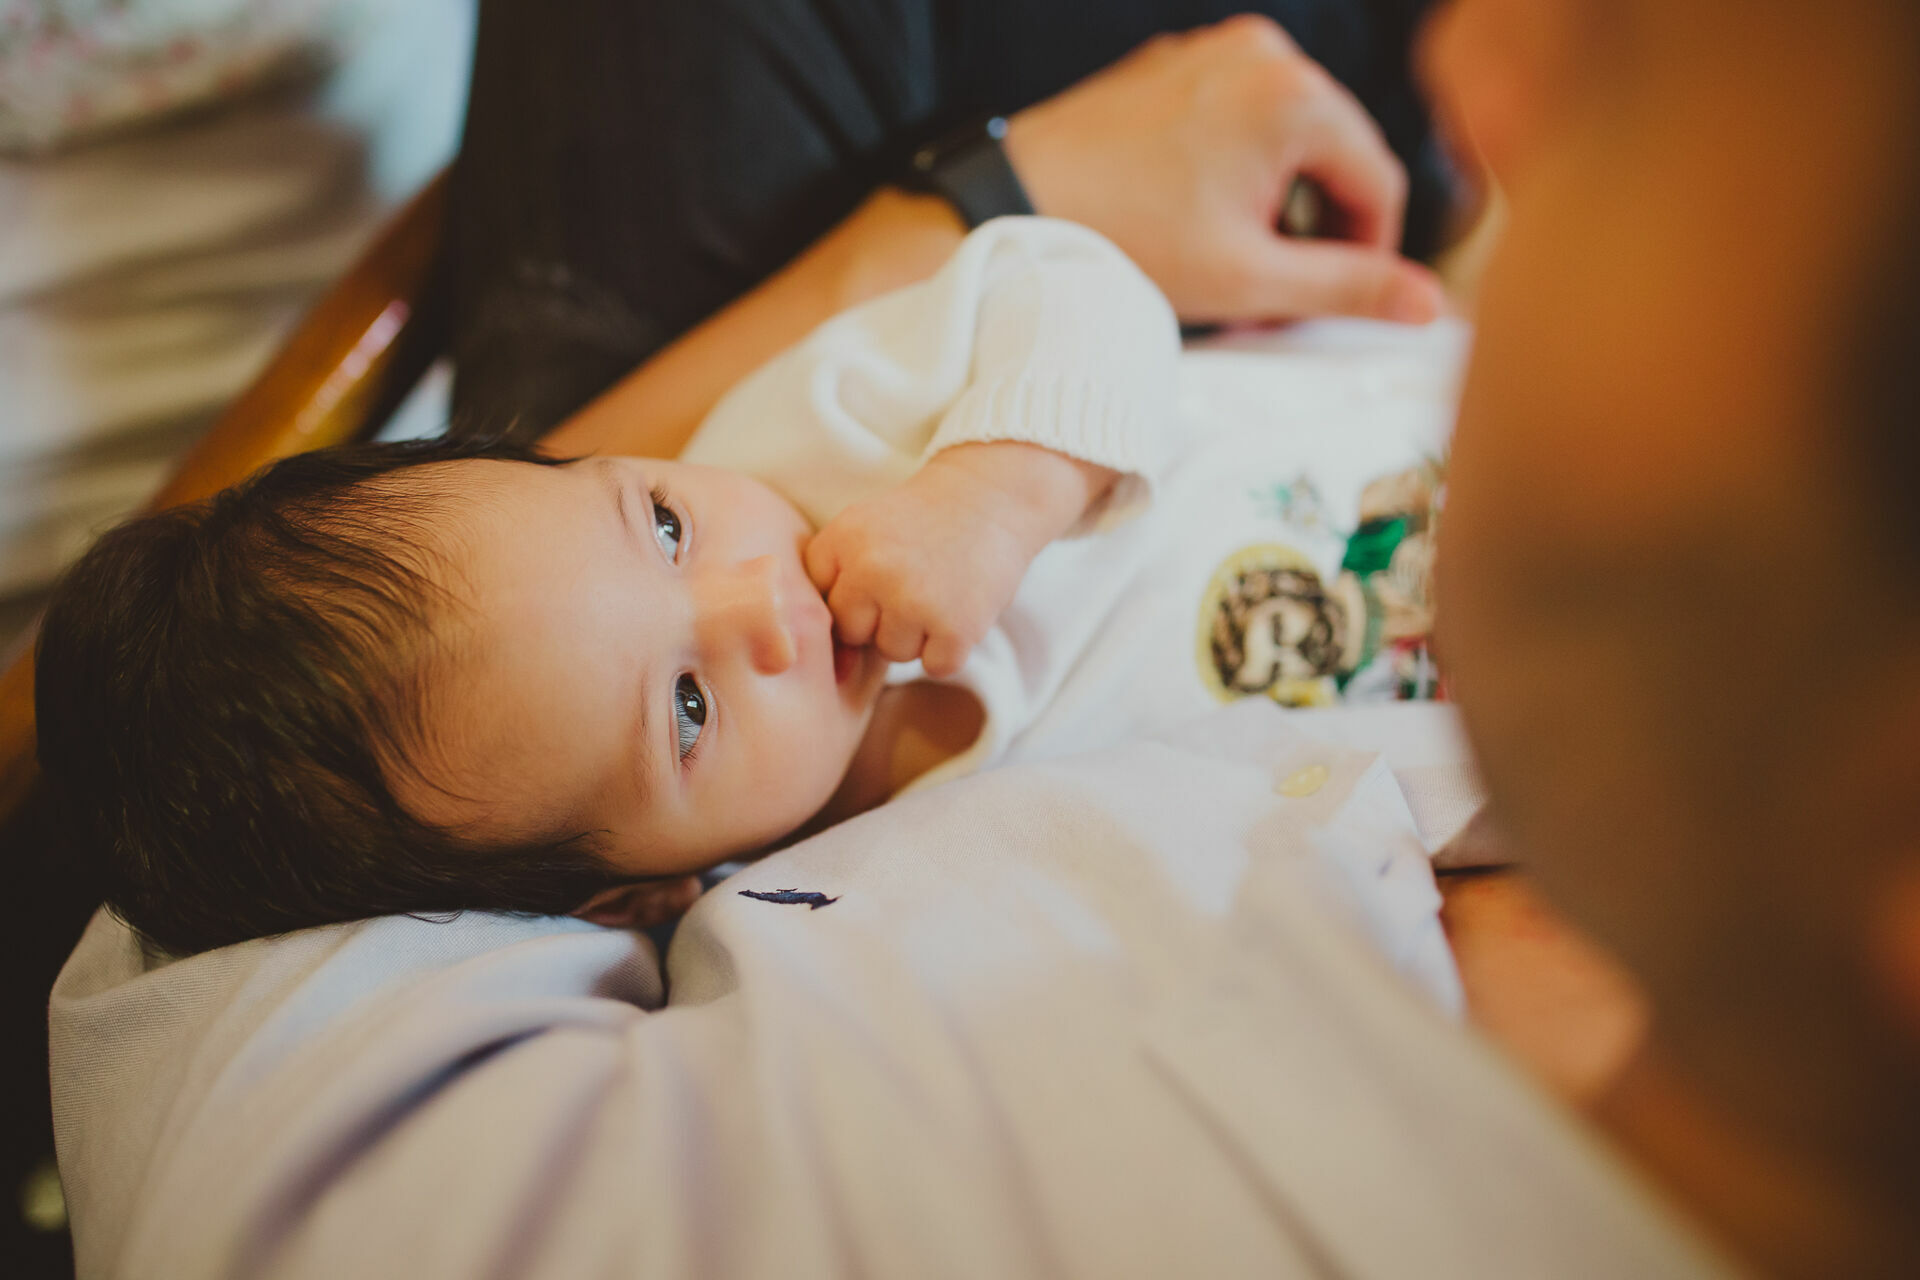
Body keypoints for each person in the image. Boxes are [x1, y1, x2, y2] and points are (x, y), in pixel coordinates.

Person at [36, 213, 1460, 954]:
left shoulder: (820, 441)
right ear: (636, 899)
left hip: (1448, 417)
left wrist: (991, 489)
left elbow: (1071, 277)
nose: (758, 603)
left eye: (658, 525)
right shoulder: (843, 901)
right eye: (691, 713)